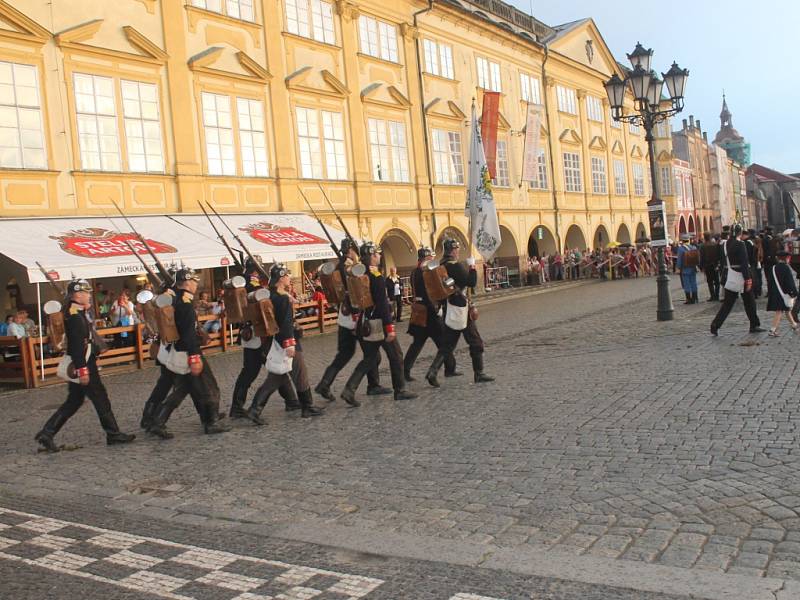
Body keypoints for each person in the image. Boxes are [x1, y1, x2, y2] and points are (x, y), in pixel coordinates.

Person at [34, 279, 135, 452]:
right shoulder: (74, 315)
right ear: (77, 295)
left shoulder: (78, 312)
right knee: (100, 397)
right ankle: (113, 433)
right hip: (83, 362)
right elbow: (75, 345)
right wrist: (82, 369)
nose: (89, 295)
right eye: (86, 293)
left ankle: (47, 432)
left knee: (74, 401)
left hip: (84, 360)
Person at [147, 267, 229, 439]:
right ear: (188, 282)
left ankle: (158, 421)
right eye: (193, 282)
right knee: (209, 387)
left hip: (181, 351)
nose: (195, 285)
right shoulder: (184, 303)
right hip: (187, 352)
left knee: (183, 390)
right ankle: (211, 422)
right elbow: (188, 333)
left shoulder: (178, 298)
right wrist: (194, 356)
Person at [340, 242, 417, 405]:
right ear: (373, 256)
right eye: (378, 254)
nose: (380, 256)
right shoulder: (375, 276)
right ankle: (400, 389)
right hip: (379, 323)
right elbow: (382, 303)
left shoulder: (358, 275)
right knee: (396, 355)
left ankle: (349, 389)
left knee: (369, 358)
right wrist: (389, 327)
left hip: (365, 320)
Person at [247, 263, 324, 424]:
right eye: (287, 275)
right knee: (299, 372)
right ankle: (306, 406)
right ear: (281, 278)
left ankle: (256, 409)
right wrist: (289, 343)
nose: (289, 278)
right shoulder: (281, 298)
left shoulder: (272, 294)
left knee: (277, 376)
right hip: (286, 340)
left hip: (277, 340)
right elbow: (286, 322)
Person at [315, 238, 390, 404]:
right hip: (355, 315)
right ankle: (370, 385)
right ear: (351, 250)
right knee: (372, 355)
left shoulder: (338, 265)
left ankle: (325, 383)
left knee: (345, 354)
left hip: (345, 315)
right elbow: (357, 291)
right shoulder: (350, 267)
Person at [425, 239, 494, 387]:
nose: (458, 251)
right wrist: (472, 266)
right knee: (475, 341)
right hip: (461, 308)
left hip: (449, 307)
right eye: (456, 249)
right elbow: (471, 282)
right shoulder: (454, 265)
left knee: (447, 345)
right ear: (453, 250)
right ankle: (479, 373)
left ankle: (432, 371)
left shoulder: (442, 265)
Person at [403, 246, 460, 382]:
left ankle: (405, 370)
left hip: (419, 311)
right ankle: (449, 368)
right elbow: (437, 287)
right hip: (430, 312)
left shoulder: (415, 272)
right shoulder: (428, 271)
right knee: (444, 342)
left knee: (417, 344)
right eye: (431, 257)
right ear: (428, 258)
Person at [710, 224, 765, 336]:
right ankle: (754, 325)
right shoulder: (740, 244)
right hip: (741, 275)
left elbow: (721, 260)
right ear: (740, 233)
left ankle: (715, 324)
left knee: (727, 304)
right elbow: (744, 263)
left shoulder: (724, 244)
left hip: (730, 276)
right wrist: (748, 279)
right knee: (749, 302)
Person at [767, 250, 798, 336]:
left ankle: (794, 325)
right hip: (784, 294)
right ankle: (772, 330)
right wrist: (794, 293)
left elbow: (770, 281)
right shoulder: (786, 268)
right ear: (786, 258)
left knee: (787, 310)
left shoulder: (773, 268)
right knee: (779, 311)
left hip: (776, 293)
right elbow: (789, 283)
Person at [676, 235, 699, 304]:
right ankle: (695, 298)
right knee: (693, 283)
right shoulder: (693, 247)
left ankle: (688, 299)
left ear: (682, 241)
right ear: (688, 240)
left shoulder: (681, 249)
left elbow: (679, 259)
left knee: (686, 284)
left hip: (685, 268)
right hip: (693, 268)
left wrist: (678, 268)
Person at [699, 233, 720, 302]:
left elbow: (701, 257)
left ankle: (712, 296)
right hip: (715, 265)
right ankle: (717, 295)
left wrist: (701, 267)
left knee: (710, 281)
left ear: (704, 238)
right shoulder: (715, 244)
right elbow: (718, 255)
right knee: (717, 281)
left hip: (707, 266)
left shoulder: (702, 246)